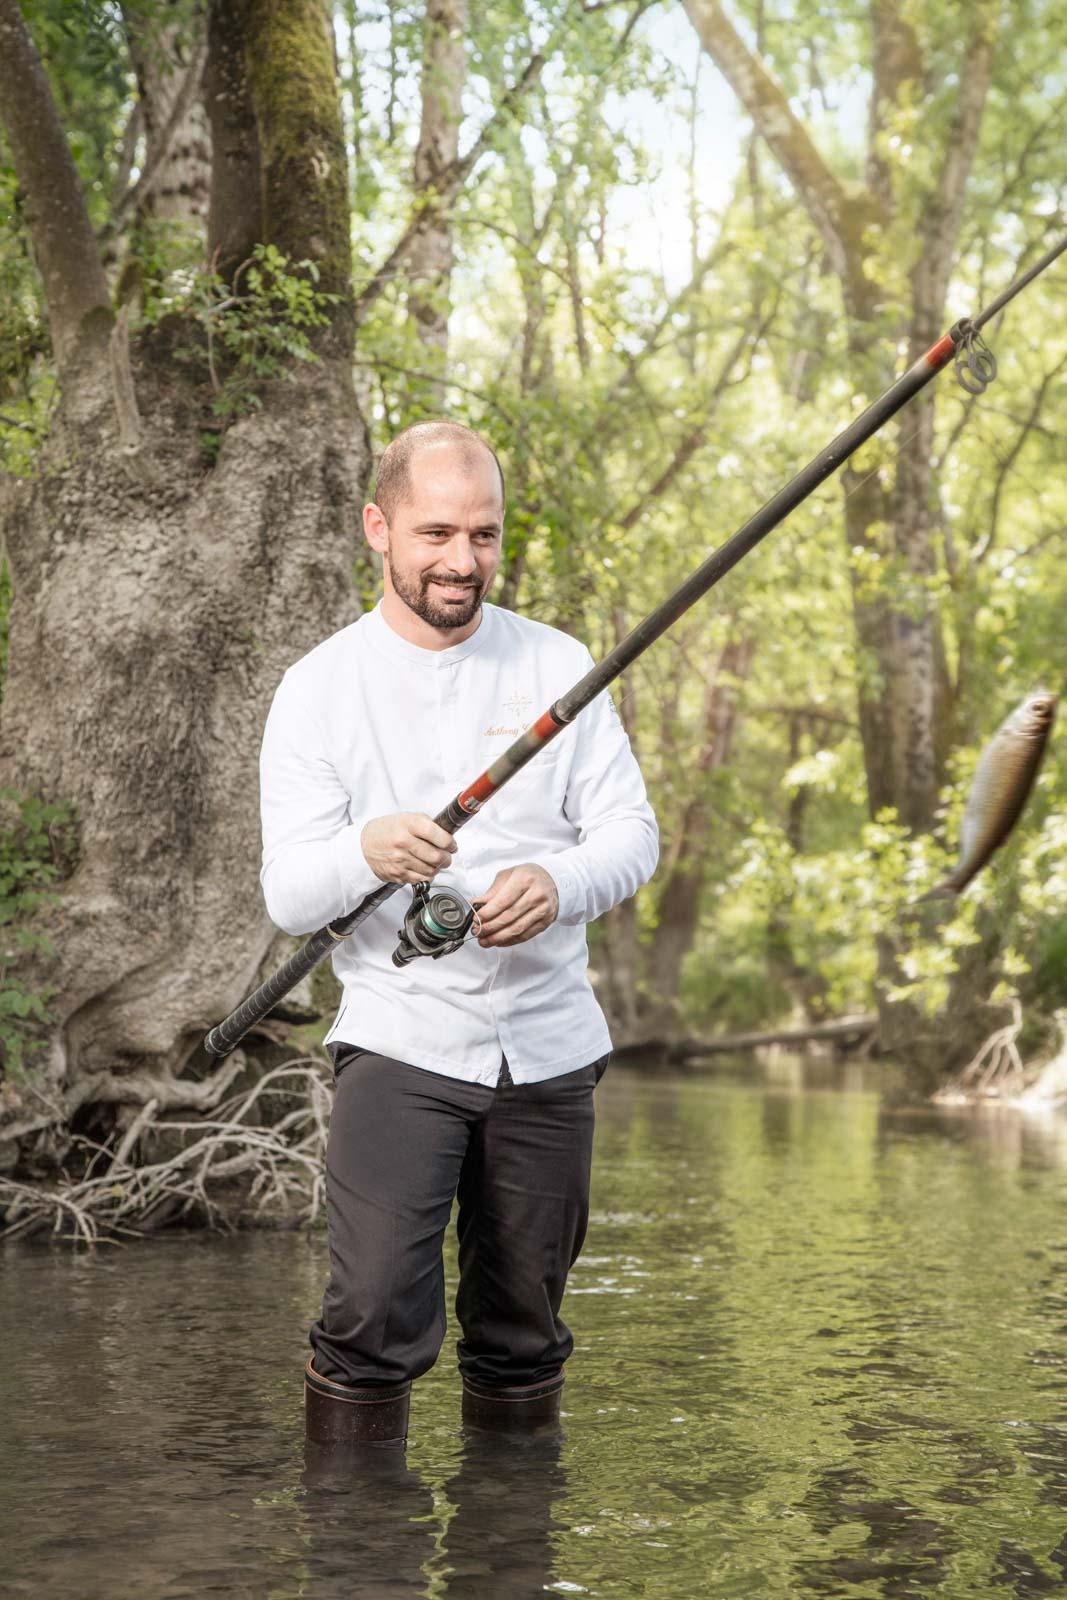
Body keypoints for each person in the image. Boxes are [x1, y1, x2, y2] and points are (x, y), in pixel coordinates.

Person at [259, 419, 658, 1446]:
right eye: (436, 532)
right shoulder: (317, 689)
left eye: (482, 535)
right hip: (398, 1036)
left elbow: (630, 837)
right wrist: (368, 850)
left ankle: (504, 1554)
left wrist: (560, 881)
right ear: (377, 528)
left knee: (524, 1328)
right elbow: (288, 893)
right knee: (373, 1319)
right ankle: (355, 1556)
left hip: (549, 1044)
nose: (460, 559)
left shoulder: (558, 664)